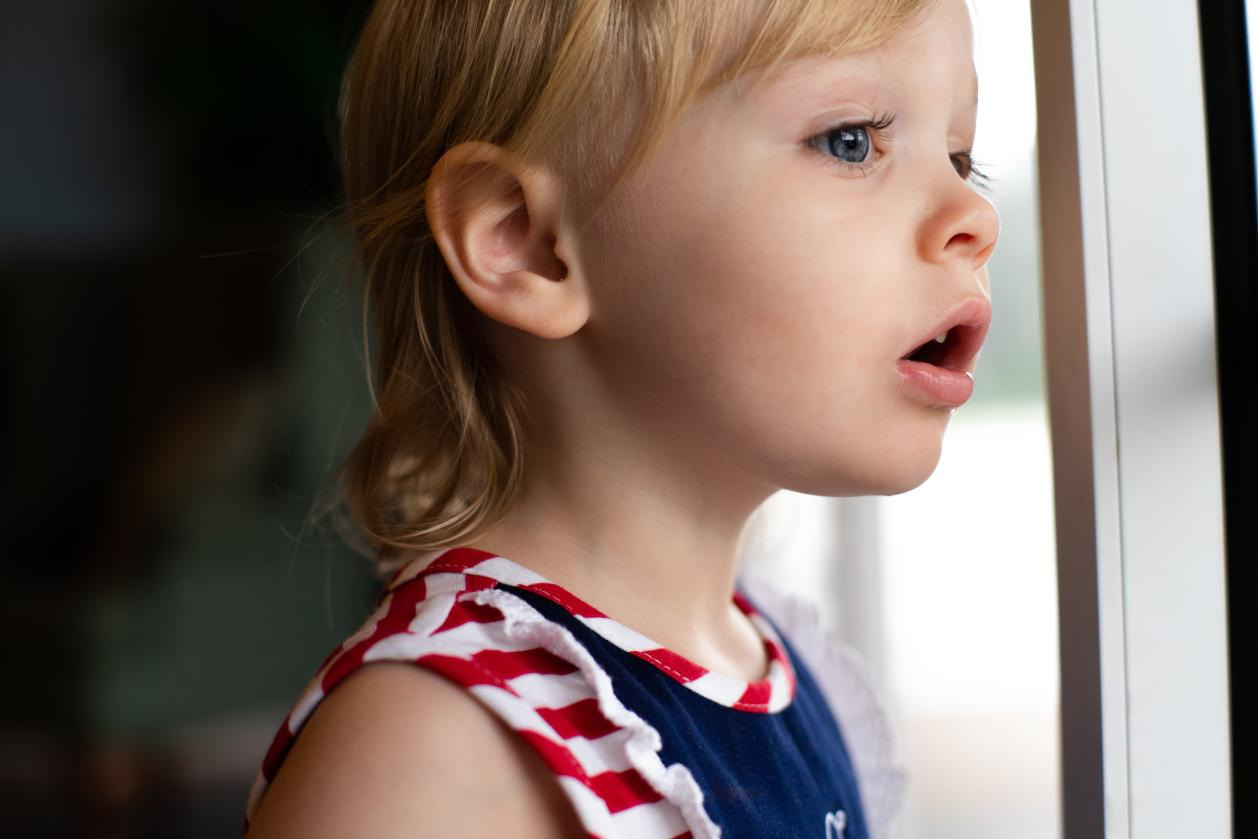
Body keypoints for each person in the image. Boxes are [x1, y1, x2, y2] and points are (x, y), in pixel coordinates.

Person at [243, 0, 998, 835]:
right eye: (850, 139)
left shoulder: (792, 671)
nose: (976, 218)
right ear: (529, 241)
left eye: (963, 159)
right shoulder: (439, 753)